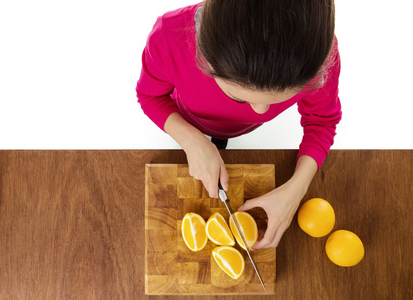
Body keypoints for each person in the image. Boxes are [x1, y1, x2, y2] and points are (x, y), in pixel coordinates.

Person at [136, 0, 341, 250]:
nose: (258, 112)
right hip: (185, 117)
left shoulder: (319, 59)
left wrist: (296, 189)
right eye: (240, 98)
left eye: (279, 98)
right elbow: (150, 95)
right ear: (205, 59)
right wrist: (190, 138)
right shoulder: (170, 36)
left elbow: (322, 121)